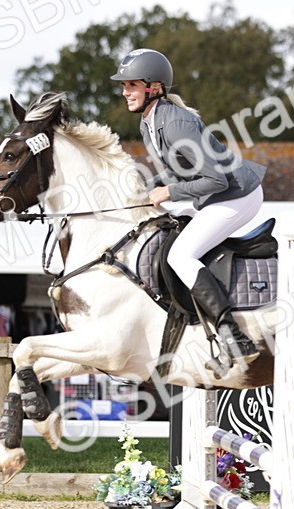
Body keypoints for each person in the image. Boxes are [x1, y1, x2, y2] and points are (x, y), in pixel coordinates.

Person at [111, 48, 265, 367]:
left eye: (131, 85)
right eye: (124, 86)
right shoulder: (148, 124)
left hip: (237, 195)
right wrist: (148, 186)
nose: (125, 92)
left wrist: (169, 191)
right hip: (215, 196)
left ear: (153, 86)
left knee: (180, 254)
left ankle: (233, 336)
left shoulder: (175, 121)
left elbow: (216, 180)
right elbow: (179, 170)